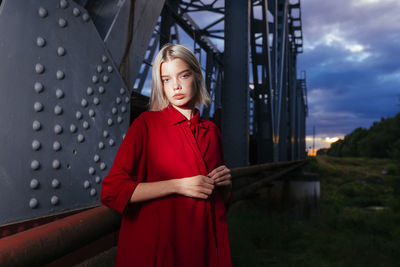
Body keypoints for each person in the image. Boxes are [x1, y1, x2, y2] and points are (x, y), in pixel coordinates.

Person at [101, 43, 233, 267]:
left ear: (197, 77)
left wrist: (226, 185)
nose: (176, 86)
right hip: (161, 249)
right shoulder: (146, 125)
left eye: (183, 75)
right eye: (166, 79)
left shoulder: (211, 131)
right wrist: (177, 185)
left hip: (202, 247)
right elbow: (112, 190)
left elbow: (218, 201)